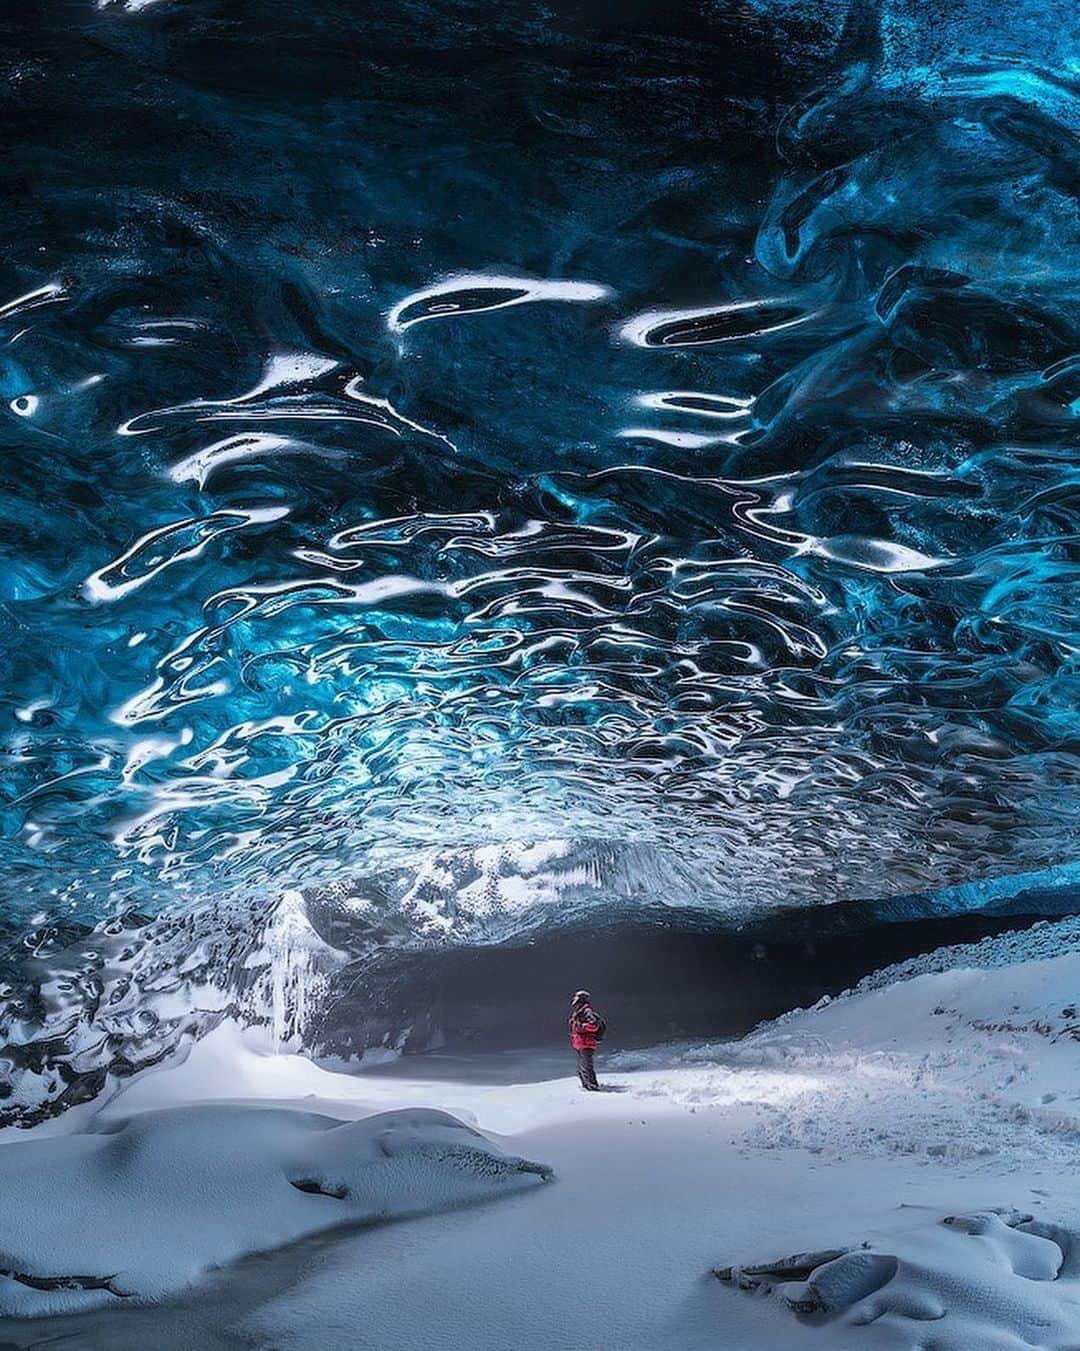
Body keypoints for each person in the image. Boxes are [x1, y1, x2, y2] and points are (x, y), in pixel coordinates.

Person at [569, 989, 606, 1091]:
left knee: (586, 1068)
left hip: (586, 1044)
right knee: (581, 1069)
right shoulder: (580, 1011)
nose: (574, 1000)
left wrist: (581, 1027)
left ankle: (593, 1088)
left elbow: (594, 1025)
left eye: (576, 998)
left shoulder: (587, 1012)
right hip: (581, 1043)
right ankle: (587, 1087)